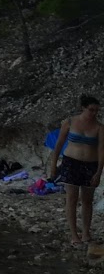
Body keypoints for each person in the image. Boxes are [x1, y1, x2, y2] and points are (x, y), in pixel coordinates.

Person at [47, 94, 101, 244]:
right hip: (71, 163)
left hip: (91, 164)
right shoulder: (70, 122)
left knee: (87, 200)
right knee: (71, 198)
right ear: (83, 108)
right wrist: (53, 166)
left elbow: (102, 151)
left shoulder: (99, 127)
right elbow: (58, 145)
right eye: (91, 110)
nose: (94, 113)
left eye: (96, 110)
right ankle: (74, 235)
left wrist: (99, 172)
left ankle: (86, 233)